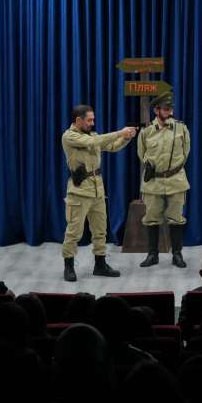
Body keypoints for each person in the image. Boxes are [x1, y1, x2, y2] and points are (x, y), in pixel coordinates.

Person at [62, 105, 136, 281]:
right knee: (74, 231)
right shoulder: (69, 136)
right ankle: (69, 266)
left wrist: (126, 138)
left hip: (97, 191)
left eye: (93, 119)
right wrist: (119, 132)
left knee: (100, 230)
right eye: (89, 120)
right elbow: (92, 143)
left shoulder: (93, 136)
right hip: (79, 192)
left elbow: (113, 146)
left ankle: (100, 265)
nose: (92, 123)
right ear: (78, 120)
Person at [138, 91, 191, 269]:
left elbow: (186, 152)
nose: (170, 112)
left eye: (171, 109)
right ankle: (152, 254)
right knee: (151, 218)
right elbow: (142, 154)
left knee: (176, 218)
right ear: (156, 110)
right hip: (153, 182)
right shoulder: (146, 132)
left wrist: (173, 169)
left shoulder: (181, 128)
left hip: (176, 180)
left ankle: (177, 254)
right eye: (166, 109)